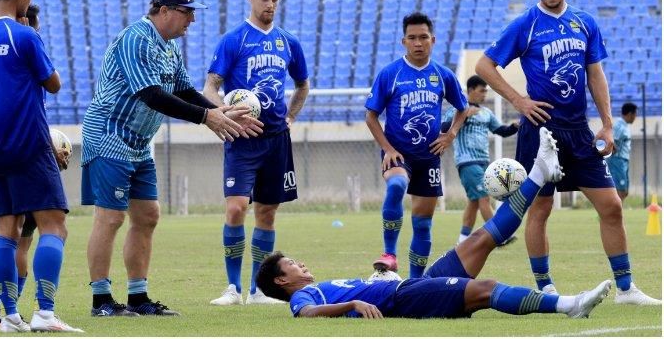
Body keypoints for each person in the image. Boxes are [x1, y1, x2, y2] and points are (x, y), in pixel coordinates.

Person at [256, 128, 612, 319]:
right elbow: (307, 314)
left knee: (481, 239)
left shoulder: (317, 285)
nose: (301, 264)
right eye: (292, 265)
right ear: (281, 280)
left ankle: (539, 171)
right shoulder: (301, 296)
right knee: (485, 288)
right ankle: (569, 304)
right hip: (405, 300)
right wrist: (352, 305)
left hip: (410, 285)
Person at [474, 0, 660, 305]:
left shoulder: (584, 22)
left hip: (578, 131)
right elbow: (485, 65)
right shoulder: (525, 24)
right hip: (541, 130)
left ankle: (626, 289)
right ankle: (545, 286)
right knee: (541, 209)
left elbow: (595, 74)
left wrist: (606, 124)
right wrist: (520, 101)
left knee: (611, 206)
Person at [81, 0, 263, 317]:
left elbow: (182, 90)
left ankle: (138, 297)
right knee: (110, 218)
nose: (191, 20)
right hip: (109, 134)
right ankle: (101, 300)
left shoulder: (169, 47)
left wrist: (218, 111)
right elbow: (150, 94)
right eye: (187, 12)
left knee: (148, 216)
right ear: (164, 11)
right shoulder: (135, 38)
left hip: (138, 140)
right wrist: (205, 117)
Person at [0, 0, 81, 332]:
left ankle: (9, 316)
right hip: (30, 144)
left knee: (7, 230)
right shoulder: (24, 35)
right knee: (55, 225)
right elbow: (54, 83)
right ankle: (45, 312)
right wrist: (34, 35)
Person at [203, 0, 310, 306]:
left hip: (276, 138)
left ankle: (258, 290)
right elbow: (210, 85)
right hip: (243, 138)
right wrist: (223, 113)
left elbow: (303, 85)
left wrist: (291, 117)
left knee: (267, 213)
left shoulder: (289, 42)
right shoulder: (234, 39)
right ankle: (232, 288)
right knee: (236, 208)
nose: (271, 5)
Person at [364, 12, 469, 278]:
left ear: (433, 40)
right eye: (412, 38)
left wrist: (451, 134)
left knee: (422, 223)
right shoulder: (391, 74)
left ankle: (414, 282)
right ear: (404, 41)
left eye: (423, 37)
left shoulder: (442, 75)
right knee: (397, 185)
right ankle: (389, 254)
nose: (418, 43)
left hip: (429, 157)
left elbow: (463, 108)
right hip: (398, 153)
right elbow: (371, 116)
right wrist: (387, 148)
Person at [0, 3, 43, 327]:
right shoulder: (25, 50)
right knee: (33, 231)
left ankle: (4, 309)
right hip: (27, 155)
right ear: (25, 24)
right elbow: (53, 83)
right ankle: (29, 311)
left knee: (11, 233)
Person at [441, 75, 519, 245]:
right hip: (467, 162)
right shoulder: (458, 109)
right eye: (481, 91)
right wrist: (465, 116)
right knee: (484, 198)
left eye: (485, 91)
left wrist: (514, 127)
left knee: (474, 202)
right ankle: (499, 235)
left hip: (484, 162)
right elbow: (444, 128)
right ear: (470, 91)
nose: (485, 94)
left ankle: (462, 240)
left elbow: (501, 131)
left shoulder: (486, 113)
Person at [607, 102, 637, 201]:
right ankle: (613, 215)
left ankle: (613, 215)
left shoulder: (624, 125)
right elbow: (611, 142)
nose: (635, 117)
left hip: (622, 161)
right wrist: (613, 158)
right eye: (635, 114)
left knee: (624, 191)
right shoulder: (619, 125)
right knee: (620, 191)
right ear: (630, 114)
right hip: (617, 160)